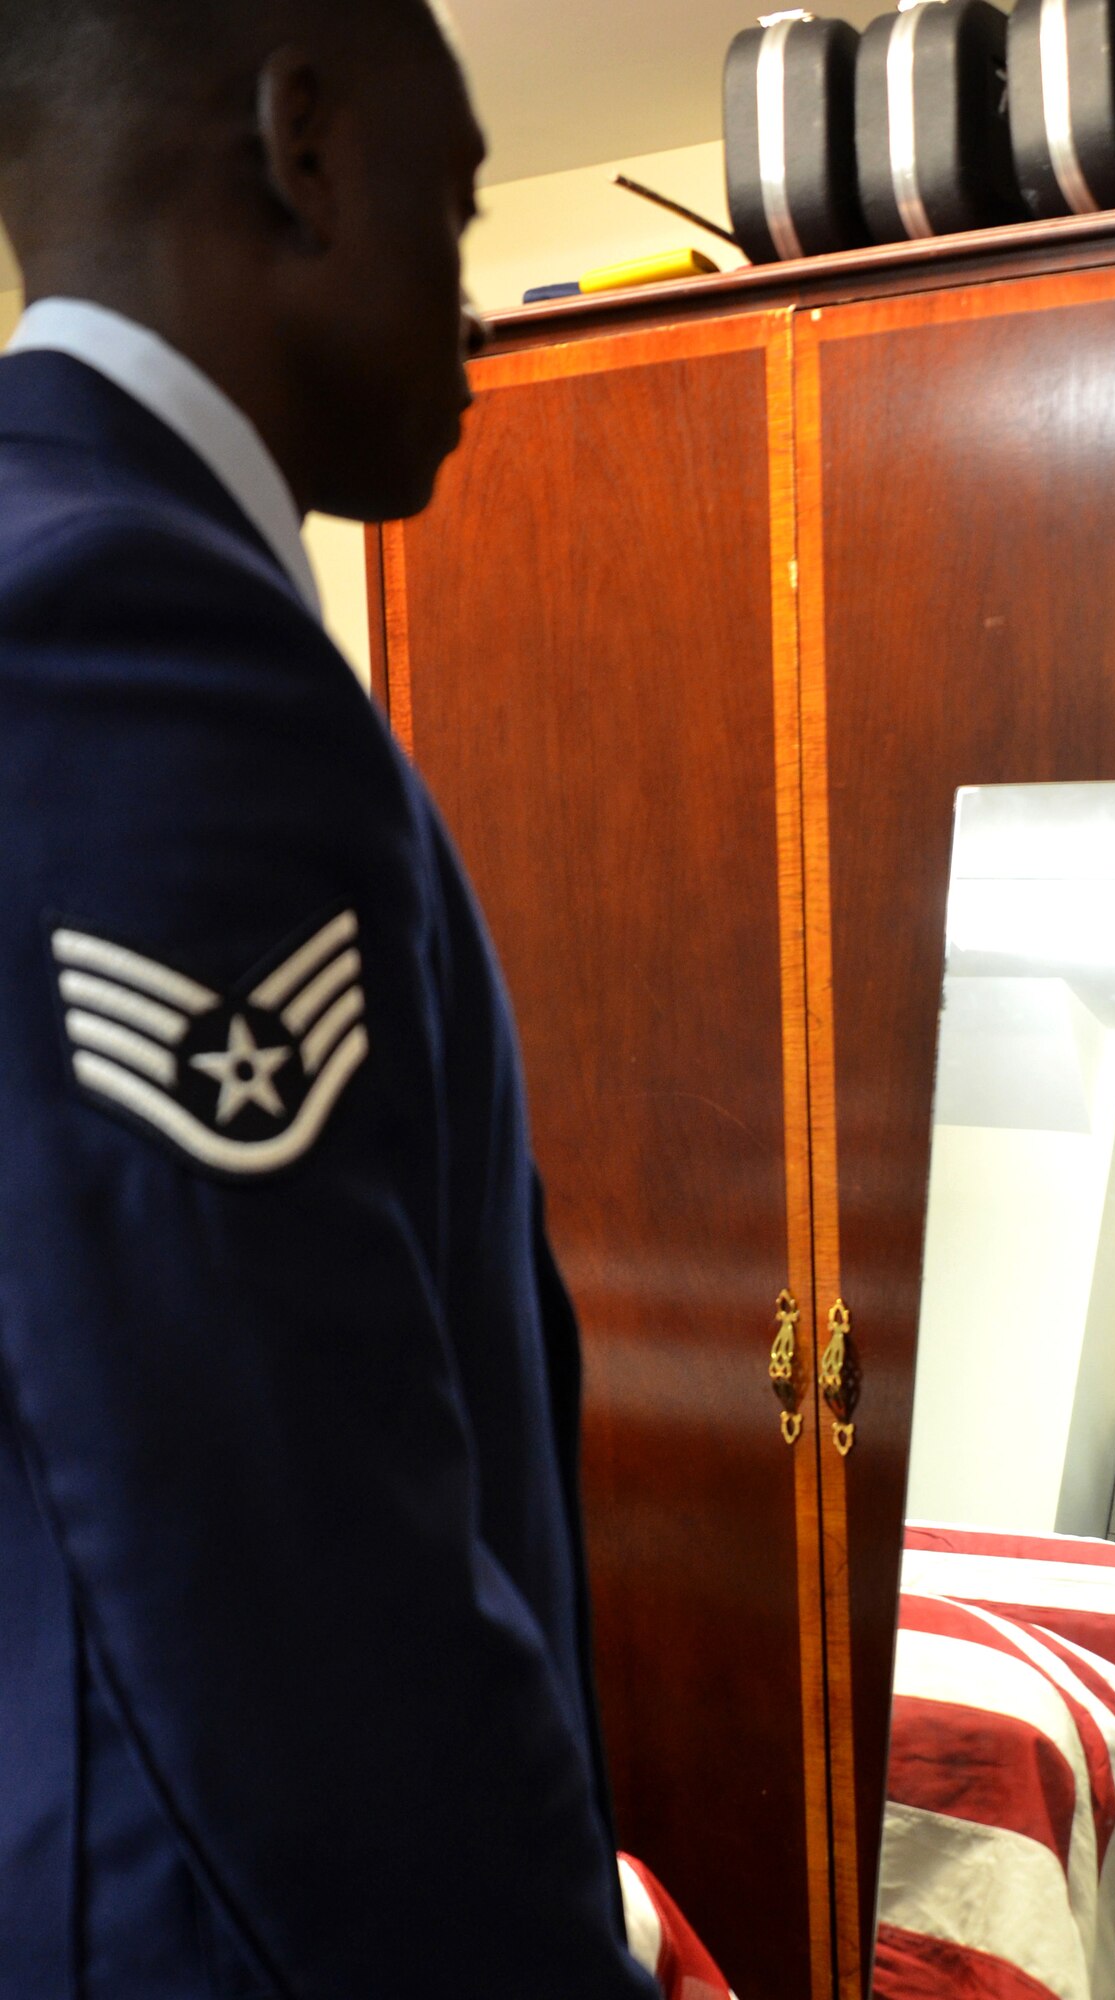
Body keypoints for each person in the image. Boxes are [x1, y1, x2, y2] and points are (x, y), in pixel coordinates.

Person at [0, 3, 656, 1994]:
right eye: (455, 222)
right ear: (304, 150)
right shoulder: (132, 623)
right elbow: (285, 1565)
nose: (471, 316)